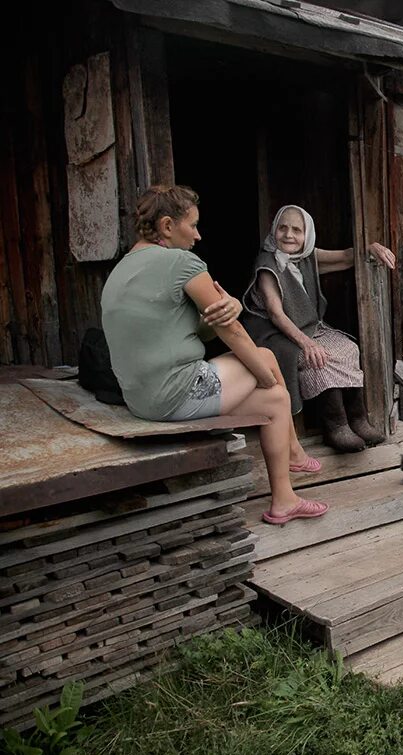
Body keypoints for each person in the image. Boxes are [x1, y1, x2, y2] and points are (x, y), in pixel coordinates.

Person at [101, 186, 327, 525]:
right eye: (191, 225)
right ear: (166, 226)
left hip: (140, 398)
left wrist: (233, 306)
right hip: (178, 391)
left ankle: (286, 493)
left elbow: (206, 327)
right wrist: (264, 378)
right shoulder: (181, 262)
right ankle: (289, 470)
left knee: (274, 396)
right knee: (269, 370)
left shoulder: (123, 268)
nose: (197, 234)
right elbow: (231, 331)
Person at [241, 205, 396, 453]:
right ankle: (335, 425)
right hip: (273, 333)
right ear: (274, 230)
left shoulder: (306, 257)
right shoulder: (267, 263)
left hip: (306, 327)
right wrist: (307, 343)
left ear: (307, 235)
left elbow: (346, 256)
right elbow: (275, 312)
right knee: (319, 357)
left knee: (349, 348)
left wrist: (370, 248)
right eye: (283, 228)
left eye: (296, 230)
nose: (289, 235)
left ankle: (357, 418)